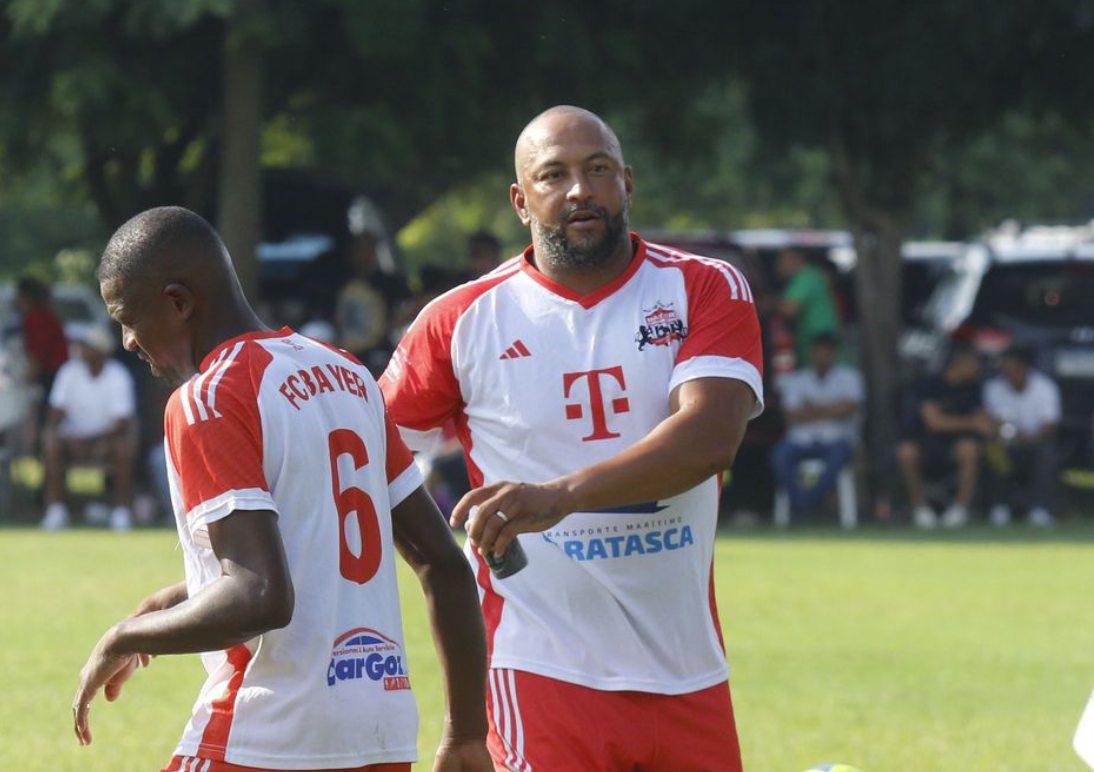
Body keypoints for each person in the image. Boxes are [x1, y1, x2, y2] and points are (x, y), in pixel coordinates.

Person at [381, 106, 763, 771]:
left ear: (628, 183)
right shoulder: (459, 320)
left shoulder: (702, 286)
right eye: (553, 175)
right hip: (539, 670)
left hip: (690, 672)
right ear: (520, 201)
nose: (580, 190)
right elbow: (362, 463)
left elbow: (710, 438)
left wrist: (559, 496)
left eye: (598, 169)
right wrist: (437, 556)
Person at [74, 207, 491, 772]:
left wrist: (123, 637)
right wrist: (466, 733)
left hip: (269, 729)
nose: (126, 341)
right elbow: (440, 562)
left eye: (127, 318)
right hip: (379, 733)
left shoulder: (209, 398)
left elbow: (261, 595)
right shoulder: (348, 376)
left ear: (178, 303)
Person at [41, 324, 137, 531]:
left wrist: (94, 440)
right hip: (72, 440)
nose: (79, 349)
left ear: (99, 349)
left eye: (85, 345)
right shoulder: (68, 372)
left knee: (122, 448)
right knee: (51, 442)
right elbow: (56, 412)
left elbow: (122, 421)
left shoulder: (118, 375)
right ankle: (56, 510)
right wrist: (60, 433)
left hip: (106, 440)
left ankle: (121, 512)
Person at [897, 344, 993, 529]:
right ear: (960, 363)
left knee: (970, 449)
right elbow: (934, 422)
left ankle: (959, 509)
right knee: (905, 452)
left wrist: (983, 424)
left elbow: (984, 424)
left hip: (954, 446)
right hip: (925, 442)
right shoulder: (930, 385)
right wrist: (970, 422)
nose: (977, 368)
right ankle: (920, 508)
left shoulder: (973, 389)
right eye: (974, 363)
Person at [771, 333, 861, 514]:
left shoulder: (849, 376)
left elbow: (849, 408)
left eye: (827, 351)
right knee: (779, 456)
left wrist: (811, 409)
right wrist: (831, 408)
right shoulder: (798, 378)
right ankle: (801, 503)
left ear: (834, 353)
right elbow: (790, 414)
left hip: (836, 440)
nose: (822, 356)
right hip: (800, 440)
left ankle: (808, 502)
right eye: (818, 351)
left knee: (839, 457)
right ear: (811, 353)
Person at [983, 346, 1061, 527]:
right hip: (1005, 443)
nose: (1009, 375)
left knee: (1046, 453)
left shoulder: (1045, 387)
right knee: (993, 451)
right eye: (1005, 370)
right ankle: (999, 507)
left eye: (1013, 370)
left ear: (1026, 369)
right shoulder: (993, 387)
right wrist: (1005, 433)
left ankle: (1039, 509)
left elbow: (1050, 426)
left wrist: (1029, 437)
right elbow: (990, 421)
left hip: (1036, 442)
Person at [335, 230, 411, 375]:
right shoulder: (341, 283)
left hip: (383, 344)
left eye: (369, 249)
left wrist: (389, 326)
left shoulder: (389, 282)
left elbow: (411, 305)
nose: (365, 254)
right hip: (347, 348)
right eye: (359, 249)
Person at [15, 277, 68, 438]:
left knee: (44, 417)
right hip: (52, 373)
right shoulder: (45, 315)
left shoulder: (36, 318)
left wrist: (24, 381)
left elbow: (37, 356)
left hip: (52, 375)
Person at [773, 248, 840, 365]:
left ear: (796, 259)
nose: (778, 266)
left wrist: (768, 304)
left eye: (781, 260)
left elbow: (789, 309)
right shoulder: (811, 275)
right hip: (812, 344)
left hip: (821, 344)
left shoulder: (806, 277)